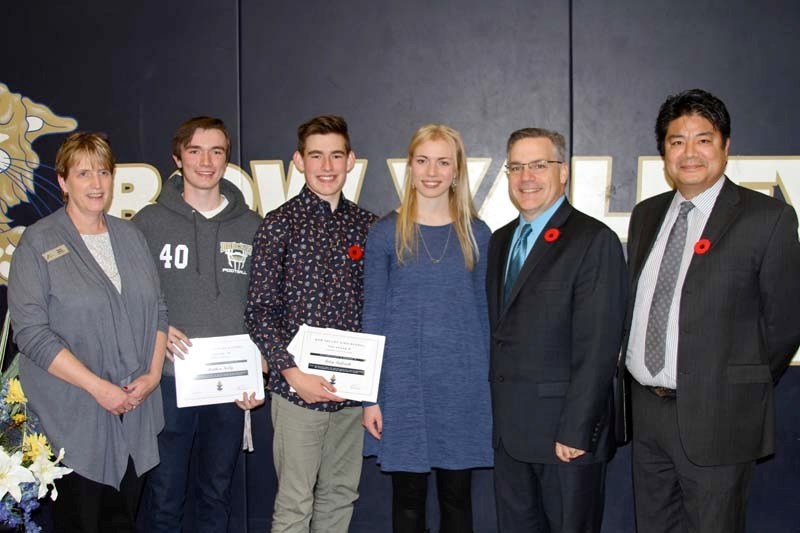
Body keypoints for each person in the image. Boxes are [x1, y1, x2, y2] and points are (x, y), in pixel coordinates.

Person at [618, 88, 800, 533]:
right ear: (663, 151)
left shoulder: (767, 217)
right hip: (647, 412)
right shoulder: (646, 214)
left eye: (703, 139)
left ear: (725, 146)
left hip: (720, 416)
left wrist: (734, 383)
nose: (690, 152)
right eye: (677, 141)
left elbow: (785, 323)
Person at [7, 132, 167, 532]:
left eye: (103, 172)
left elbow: (159, 312)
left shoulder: (131, 237)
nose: (96, 184)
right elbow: (32, 335)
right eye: (83, 173)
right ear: (63, 181)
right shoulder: (38, 242)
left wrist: (151, 376)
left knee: (123, 521)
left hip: (135, 412)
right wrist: (99, 388)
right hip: (71, 419)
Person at [487, 128, 626, 532]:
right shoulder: (501, 241)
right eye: (516, 167)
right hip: (510, 438)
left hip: (565, 438)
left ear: (562, 173)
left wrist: (577, 429)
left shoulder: (593, 240)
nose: (526, 176)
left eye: (539, 165)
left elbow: (599, 345)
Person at [245, 115, 377, 533]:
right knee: (295, 501)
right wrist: (292, 373)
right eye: (316, 155)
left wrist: (369, 389)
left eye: (336, 155)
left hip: (351, 393)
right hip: (296, 391)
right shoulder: (279, 224)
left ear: (351, 160)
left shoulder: (368, 227)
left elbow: (376, 310)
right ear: (298, 161)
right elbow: (259, 311)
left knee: (340, 495)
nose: (326, 166)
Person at [133, 116, 264, 532]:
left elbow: (266, 305)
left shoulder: (252, 225)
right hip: (170, 380)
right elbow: (127, 299)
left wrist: (258, 365)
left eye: (217, 151)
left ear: (227, 159)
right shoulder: (148, 223)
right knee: (165, 495)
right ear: (177, 158)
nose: (206, 161)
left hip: (228, 384)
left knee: (215, 493)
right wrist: (156, 327)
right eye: (195, 151)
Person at [361, 124, 493, 533]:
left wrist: (485, 391)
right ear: (410, 168)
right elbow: (373, 320)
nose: (431, 172)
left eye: (442, 162)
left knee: (457, 506)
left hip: (461, 391)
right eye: (422, 161)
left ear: (457, 171)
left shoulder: (478, 234)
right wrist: (371, 398)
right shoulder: (385, 234)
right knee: (408, 508)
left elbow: (486, 319)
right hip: (404, 393)